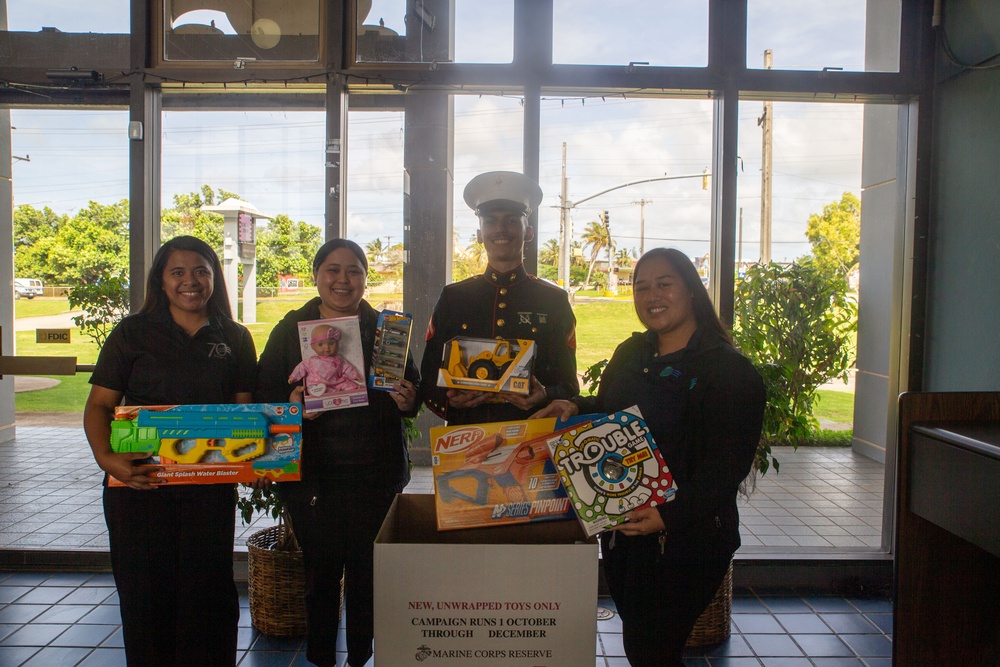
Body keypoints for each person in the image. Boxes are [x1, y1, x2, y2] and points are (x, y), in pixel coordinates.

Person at [533, 247, 765, 667]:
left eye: (664, 284)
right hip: (625, 533)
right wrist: (572, 406)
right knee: (642, 643)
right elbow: (609, 409)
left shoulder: (729, 371)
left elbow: (727, 468)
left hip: (686, 541)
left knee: (652, 649)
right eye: (641, 287)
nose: (651, 295)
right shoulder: (631, 353)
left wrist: (668, 515)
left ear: (691, 291)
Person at [83, 235, 256, 666]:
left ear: (214, 276)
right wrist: (108, 460)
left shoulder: (234, 337)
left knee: (209, 599)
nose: (190, 281)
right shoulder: (132, 332)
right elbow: (100, 405)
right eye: (177, 272)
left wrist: (270, 439)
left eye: (201, 270)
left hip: (207, 492)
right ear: (160, 281)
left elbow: (245, 413)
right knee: (145, 599)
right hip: (139, 488)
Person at [255, 238, 420, 667]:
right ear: (316, 275)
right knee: (320, 574)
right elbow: (264, 395)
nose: (342, 279)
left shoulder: (388, 328)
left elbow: (413, 389)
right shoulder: (292, 327)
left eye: (353, 270)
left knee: (368, 575)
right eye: (332, 269)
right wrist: (292, 405)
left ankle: (362, 655)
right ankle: (321, 656)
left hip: (377, 473)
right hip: (314, 476)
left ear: (366, 278)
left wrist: (408, 399)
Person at [420, 170, 578, 425]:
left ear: (529, 231)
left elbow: (569, 384)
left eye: (512, 221)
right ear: (480, 234)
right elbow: (429, 377)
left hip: (533, 437)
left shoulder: (553, 300)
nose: (501, 229)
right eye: (491, 221)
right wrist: (450, 399)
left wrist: (545, 394)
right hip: (467, 439)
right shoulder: (454, 297)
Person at [289, 323, 365, 393]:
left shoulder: (338, 359)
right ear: (312, 346)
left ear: (337, 344)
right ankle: (334, 393)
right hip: (317, 384)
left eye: (331, 343)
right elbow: (300, 367)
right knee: (315, 390)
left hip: (337, 382)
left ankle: (353, 391)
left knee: (348, 385)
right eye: (320, 344)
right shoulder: (311, 360)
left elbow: (347, 368)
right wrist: (293, 377)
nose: (327, 347)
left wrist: (355, 376)